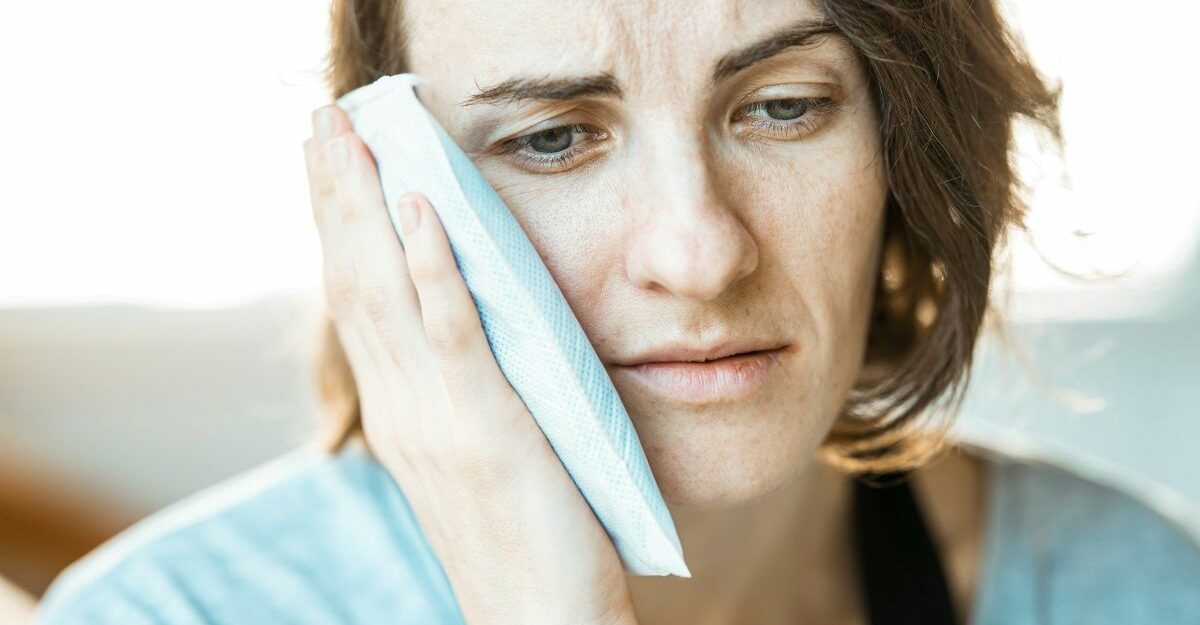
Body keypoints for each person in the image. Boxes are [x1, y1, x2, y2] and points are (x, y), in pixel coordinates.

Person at [31, 0, 1200, 623]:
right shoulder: (171, 618)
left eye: (785, 108)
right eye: (551, 139)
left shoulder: (1132, 588)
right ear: (389, 192)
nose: (698, 253)